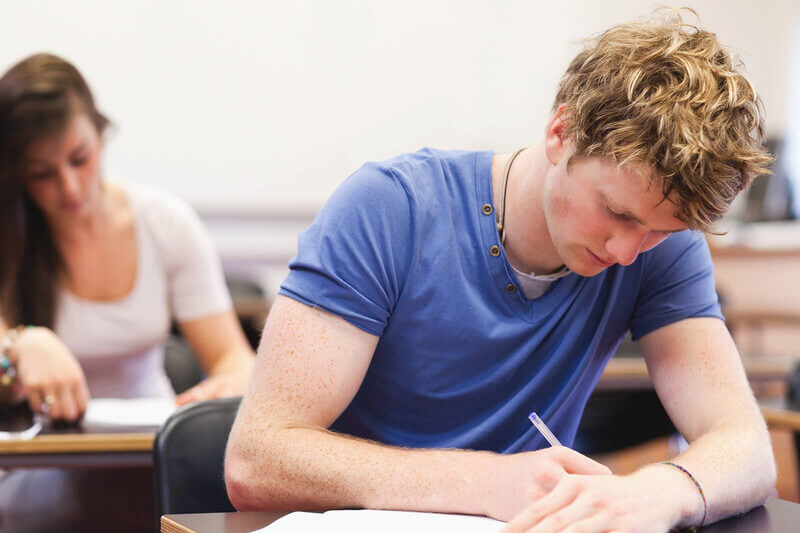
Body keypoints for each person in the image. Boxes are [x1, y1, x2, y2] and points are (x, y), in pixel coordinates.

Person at [225, 10, 776, 533]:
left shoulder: (661, 249)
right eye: (616, 212)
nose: (630, 251)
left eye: (660, 230)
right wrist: (485, 481)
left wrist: (659, 492)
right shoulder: (391, 209)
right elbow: (257, 460)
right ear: (561, 133)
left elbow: (745, 446)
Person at [0, 53, 255, 532]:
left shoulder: (164, 224)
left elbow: (234, 360)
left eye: (80, 158)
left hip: (151, 470)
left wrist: (227, 386)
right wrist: (17, 346)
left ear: (100, 134)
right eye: (41, 174)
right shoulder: (9, 236)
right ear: (16, 175)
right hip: (34, 481)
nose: (70, 187)